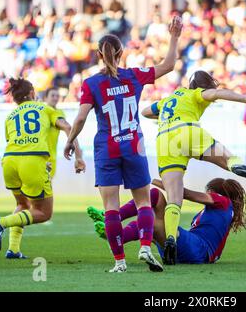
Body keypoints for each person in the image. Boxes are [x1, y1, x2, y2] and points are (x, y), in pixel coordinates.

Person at [64, 16, 183, 273]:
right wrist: (174, 36)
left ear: (98, 54)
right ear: (121, 53)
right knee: (142, 203)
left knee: (111, 208)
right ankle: (145, 247)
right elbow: (169, 65)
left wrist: (70, 141)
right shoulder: (134, 76)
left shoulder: (91, 83)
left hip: (107, 149)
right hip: (134, 147)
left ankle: (119, 262)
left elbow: (82, 117)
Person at [141, 70, 246, 265]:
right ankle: (234, 165)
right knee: (225, 157)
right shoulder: (196, 94)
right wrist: (243, 98)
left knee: (174, 198)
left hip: (164, 139)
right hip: (187, 131)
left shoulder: (171, 97)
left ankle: (171, 238)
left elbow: (145, 112)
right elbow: (217, 94)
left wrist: (165, 116)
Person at [0, 78, 82, 257]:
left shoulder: (10, 116)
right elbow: (68, 127)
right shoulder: (46, 109)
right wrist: (78, 155)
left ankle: (13, 249)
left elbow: (12, 141)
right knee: (44, 213)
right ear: (32, 94)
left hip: (9, 162)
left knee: (22, 204)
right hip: (32, 162)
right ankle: (1, 222)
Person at [87, 178, 246, 264]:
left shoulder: (223, 201)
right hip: (191, 251)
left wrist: (155, 180)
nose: (206, 194)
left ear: (214, 192)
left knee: (153, 201)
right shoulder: (220, 213)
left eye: (208, 192)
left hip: (197, 250)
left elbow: (187, 193)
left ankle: (114, 227)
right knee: (151, 208)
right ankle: (115, 227)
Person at [43, 87, 85, 178]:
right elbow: (69, 128)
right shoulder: (55, 112)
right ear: (45, 98)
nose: (55, 98)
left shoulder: (39, 111)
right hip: (47, 159)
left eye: (57, 96)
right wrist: (78, 156)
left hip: (33, 157)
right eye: (52, 95)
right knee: (45, 190)